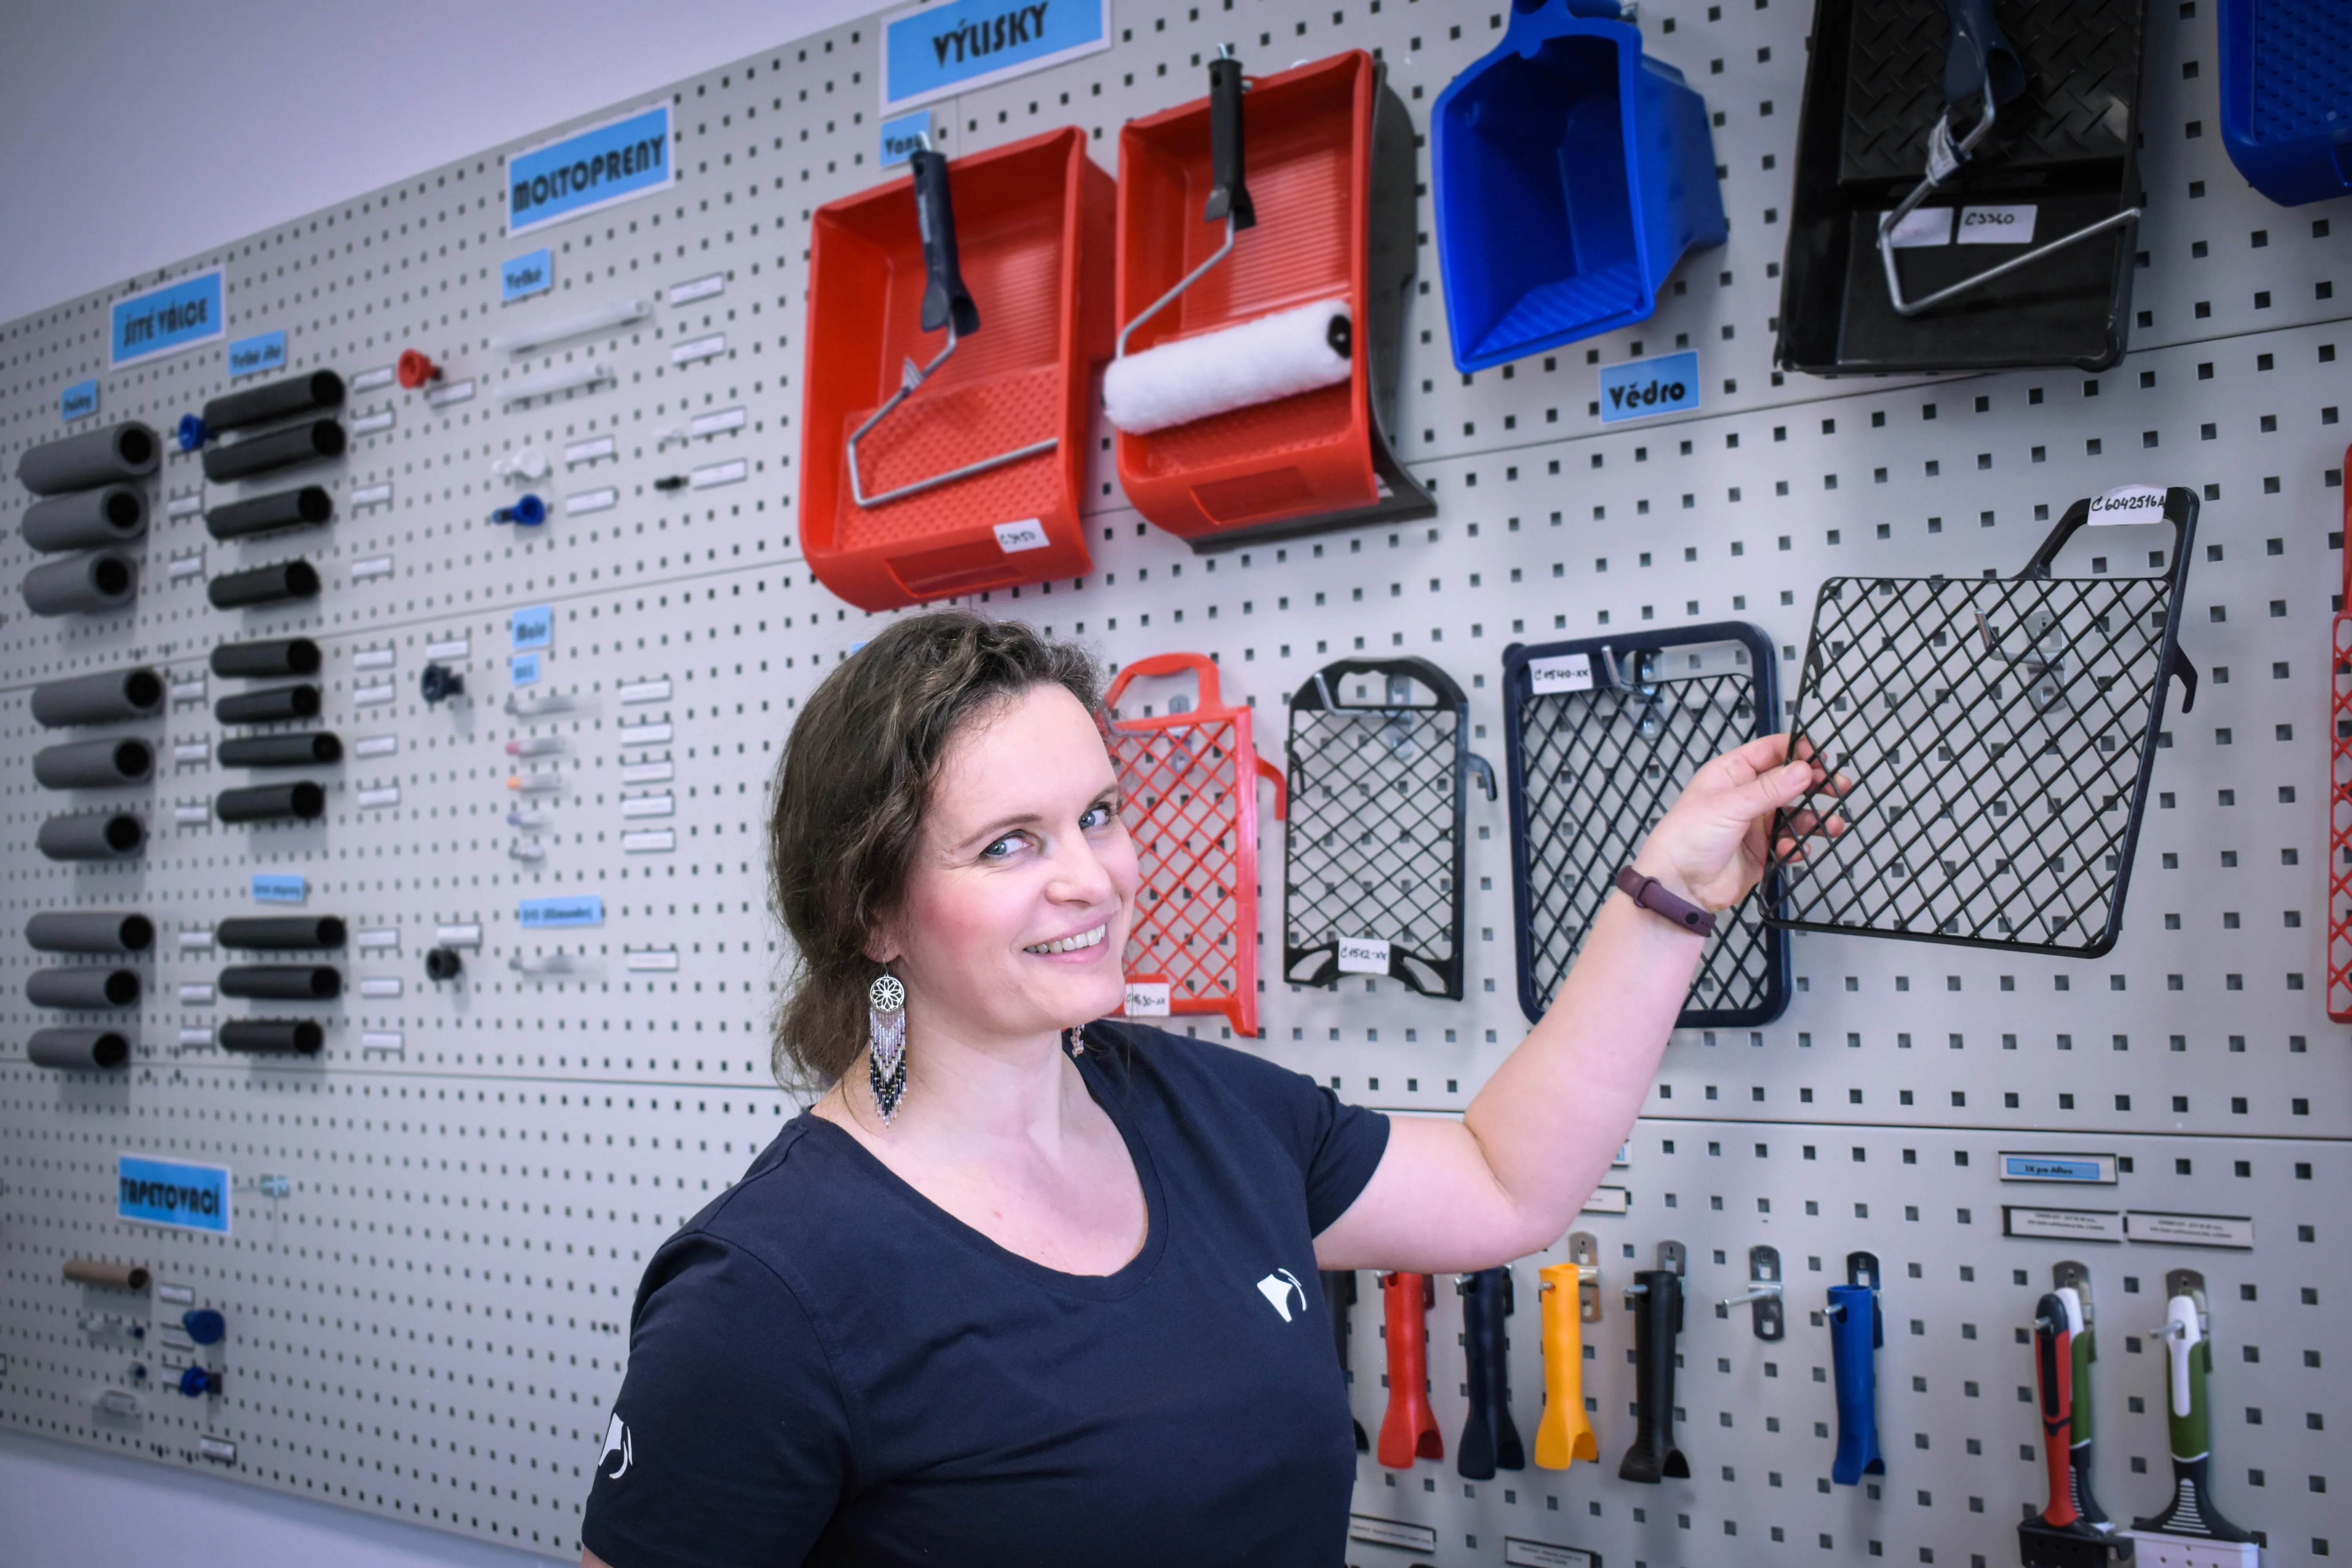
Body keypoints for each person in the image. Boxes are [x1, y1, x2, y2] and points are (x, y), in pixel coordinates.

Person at [579, 612, 1836, 1568]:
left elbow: (1507, 1185)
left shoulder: (1203, 1110)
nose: (1096, 879)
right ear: (873, 913)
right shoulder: (770, 1296)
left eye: (1101, 815)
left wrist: (1671, 897)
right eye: (1009, 844)